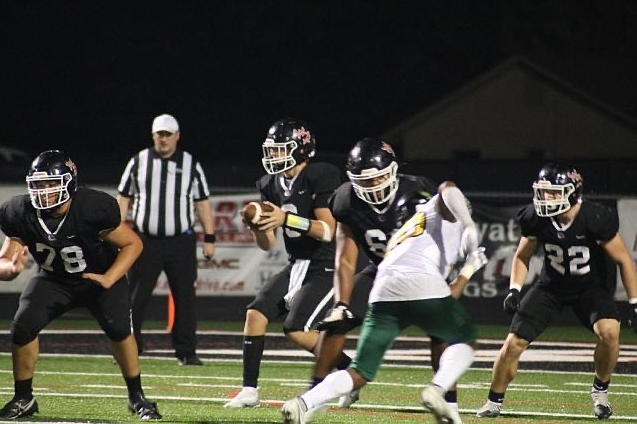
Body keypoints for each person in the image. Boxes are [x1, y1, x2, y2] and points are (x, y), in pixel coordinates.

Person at [281, 185, 489, 424]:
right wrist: (469, 240)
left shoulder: (409, 231)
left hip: (383, 289)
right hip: (420, 282)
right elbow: (449, 190)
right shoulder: (437, 211)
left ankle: (303, 403)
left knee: (360, 370)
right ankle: (437, 388)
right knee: (463, 340)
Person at [0, 150, 161, 420]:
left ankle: (137, 396)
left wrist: (110, 277)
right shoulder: (19, 212)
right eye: (38, 184)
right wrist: (10, 270)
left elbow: (133, 243)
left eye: (51, 183)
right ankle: (23, 398)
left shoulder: (92, 207)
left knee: (119, 329)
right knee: (23, 326)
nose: (44, 191)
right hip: (54, 279)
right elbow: (3, 261)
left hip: (99, 276)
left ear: (69, 183)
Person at [476, 163, 637, 420]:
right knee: (512, 344)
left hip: (589, 288)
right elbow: (521, 256)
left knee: (610, 332)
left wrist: (634, 302)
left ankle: (600, 391)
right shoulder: (535, 218)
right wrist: (514, 290)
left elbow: (624, 261)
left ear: (572, 192)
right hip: (551, 287)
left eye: (552, 192)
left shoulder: (595, 217)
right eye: (542, 192)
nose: (545, 198)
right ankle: (493, 401)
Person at [224, 117, 342, 408]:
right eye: (271, 150)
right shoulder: (269, 183)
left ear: (301, 149)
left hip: (326, 263)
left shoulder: (320, 175)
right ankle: (249, 390)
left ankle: (349, 373)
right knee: (255, 314)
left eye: (280, 150)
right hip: (297, 262)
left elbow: (328, 230)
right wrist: (257, 227)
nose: (273, 156)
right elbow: (268, 243)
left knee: (296, 330)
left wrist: (286, 218)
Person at [117, 113, 215, 365]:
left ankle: (186, 351)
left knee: (185, 297)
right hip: (144, 240)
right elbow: (123, 199)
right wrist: (117, 235)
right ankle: (129, 347)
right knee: (135, 296)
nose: (163, 139)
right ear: (153, 136)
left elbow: (203, 203)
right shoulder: (138, 161)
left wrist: (210, 237)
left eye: (167, 134)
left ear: (177, 136)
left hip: (180, 242)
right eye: (159, 134)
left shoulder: (191, 163)